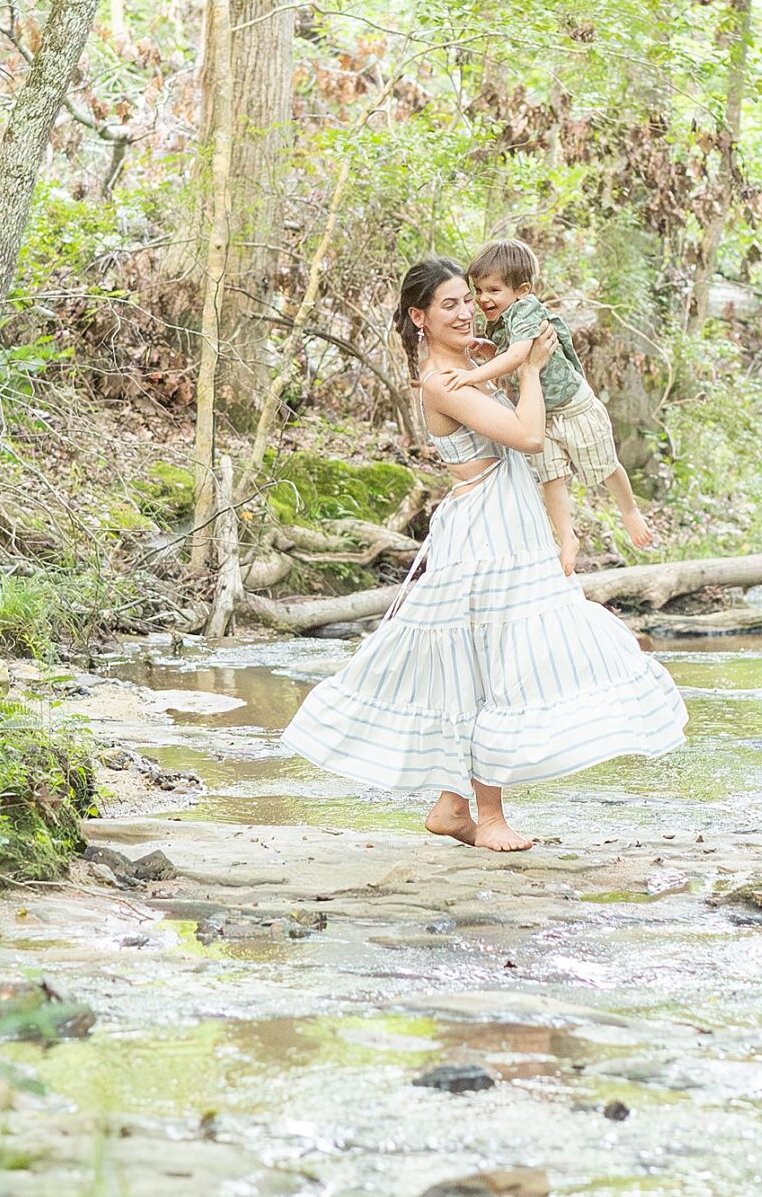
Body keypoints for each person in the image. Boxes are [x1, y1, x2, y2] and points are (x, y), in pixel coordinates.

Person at [280, 256, 686, 852]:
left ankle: (452, 806)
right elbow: (525, 435)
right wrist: (532, 368)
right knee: (491, 663)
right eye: (450, 305)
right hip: (486, 529)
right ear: (420, 317)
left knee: (488, 660)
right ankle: (487, 816)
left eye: (468, 300)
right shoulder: (441, 382)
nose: (467, 311)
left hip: (509, 517)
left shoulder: (465, 363)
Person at [452, 237, 653, 575]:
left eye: (493, 290)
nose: (483, 299)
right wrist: (487, 353)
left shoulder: (526, 310)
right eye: (479, 291)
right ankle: (567, 537)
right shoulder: (500, 320)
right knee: (551, 478)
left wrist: (472, 377)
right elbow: (510, 358)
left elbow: (519, 356)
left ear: (522, 290)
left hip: (573, 406)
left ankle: (629, 510)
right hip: (541, 415)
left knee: (604, 464)